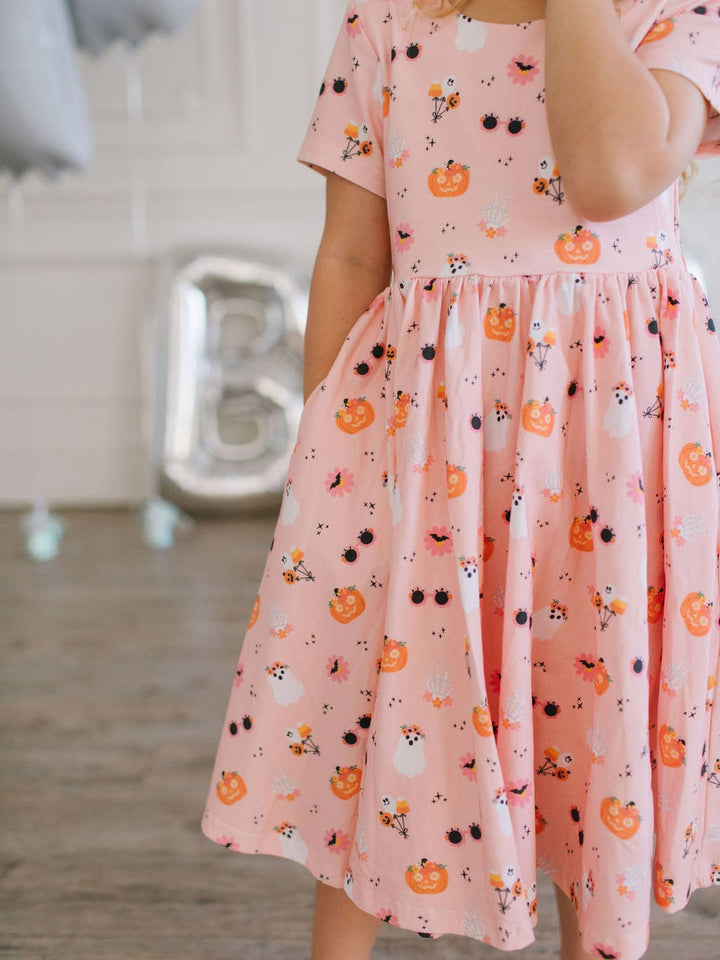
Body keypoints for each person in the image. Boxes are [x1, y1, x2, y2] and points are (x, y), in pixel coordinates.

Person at [199, 1, 720, 958]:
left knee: (593, 702)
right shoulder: (387, 25)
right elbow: (355, 251)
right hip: (429, 435)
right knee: (385, 690)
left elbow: (612, 179)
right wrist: (328, 447)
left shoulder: (671, 18)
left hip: (608, 453)